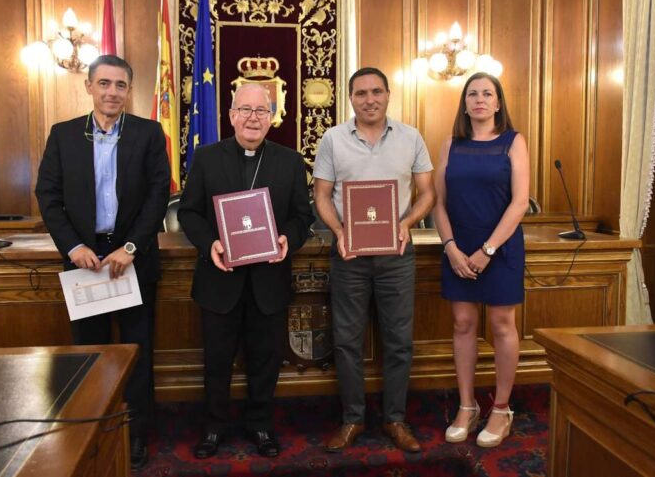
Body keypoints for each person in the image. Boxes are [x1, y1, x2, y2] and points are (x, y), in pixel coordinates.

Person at [35, 55, 171, 469]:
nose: (112, 92)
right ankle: (92, 429)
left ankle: (136, 433)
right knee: (89, 352)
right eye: (104, 84)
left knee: (136, 350)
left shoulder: (148, 133)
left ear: (129, 90)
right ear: (89, 87)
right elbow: (48, 196)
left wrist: (130, 248)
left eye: (120, 85)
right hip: (84, 262)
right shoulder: (63, 135)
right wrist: (73, 246)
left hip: (132, 260)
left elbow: (157, 195)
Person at [177, 83, 313, 458]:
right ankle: (214, 427)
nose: (253, 118)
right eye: (246, 110)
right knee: (217, 359)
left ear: (271, 118)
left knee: (266, 359)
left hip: (269, 281)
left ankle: (261, 425)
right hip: (220, 278)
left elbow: (304, 216)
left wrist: (287, 238)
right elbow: (188, 212)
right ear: (232, 115)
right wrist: (211, 244)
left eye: (261, 111)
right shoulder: (206, 158)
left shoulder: (289, 161)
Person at [313, 67, 435, 453]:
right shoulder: (333, 139)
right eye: (361, 93)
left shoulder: (411, 136)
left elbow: (428, 193)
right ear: (350, 99)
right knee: (346, 341)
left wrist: (407, 223)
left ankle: (395, 420)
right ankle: (352, 420)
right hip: (349, 254)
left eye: (376, 92)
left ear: (388, 95)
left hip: (396, 255)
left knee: (398, 341)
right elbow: (321, 196)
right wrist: (340, 232)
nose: (369, 99)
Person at [431, 72, 529, 448]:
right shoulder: (450, 145)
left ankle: (501, 409)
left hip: (500, 246)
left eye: (487, 93)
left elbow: (520, 202)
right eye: (472, 93)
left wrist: (487, 250)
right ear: (465, 102)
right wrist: (451, 247)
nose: (480, 99)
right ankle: (467, 406)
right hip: (459, 246)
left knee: (502, 323)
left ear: (498, 102)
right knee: (462, 322)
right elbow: (438, 203)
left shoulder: (513, 141)